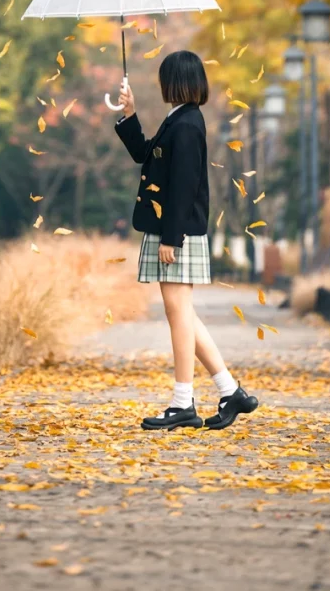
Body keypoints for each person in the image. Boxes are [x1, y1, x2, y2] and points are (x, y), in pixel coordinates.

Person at [115, 49, 258, 432]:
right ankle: (231, 392)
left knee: (178, 314)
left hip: (177, 232)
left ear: (176, 81)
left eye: (165, 77)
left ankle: (183, 402)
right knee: (184, 314)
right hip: (174, 231)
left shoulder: (188, 124)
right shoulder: (178, 119)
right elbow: (144, 155)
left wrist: (170, 238)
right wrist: (129, 113)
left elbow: (182, 187)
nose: (161, 84)